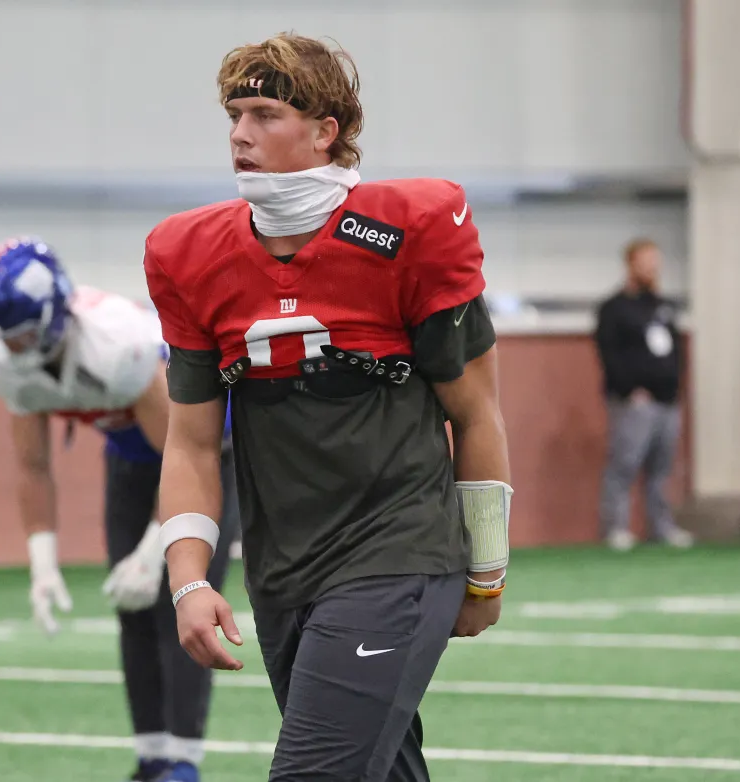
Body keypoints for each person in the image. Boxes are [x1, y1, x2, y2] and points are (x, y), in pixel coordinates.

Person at [142, 34, 512, 782]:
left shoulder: (409, 232)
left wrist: (487, 572)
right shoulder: (190, 254)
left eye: (265, 114)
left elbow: (475, 413)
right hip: (283, 570)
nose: (240, 134)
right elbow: (190, 444)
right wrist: (188, 580)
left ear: (325, 131)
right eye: (234, 115)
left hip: (397, 554)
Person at [0, 236, 239, 782]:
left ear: (51, 318)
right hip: (132, 456)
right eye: (4, 336)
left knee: (184, 605)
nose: (11, 348)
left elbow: (184, 456)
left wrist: (153, 552)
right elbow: (33, 467)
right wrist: (42, 564)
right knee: (131, 608)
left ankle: (183, 763)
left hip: (204, 453)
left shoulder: (117, 345)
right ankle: (152, 757)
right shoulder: (6, 362)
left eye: (21, 334)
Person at [595, 238, 693, 551]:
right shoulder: (614, 308)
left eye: (656, 261)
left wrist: (675, 388)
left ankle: (661, 527)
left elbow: (675, 350)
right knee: (624, 464)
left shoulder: (662, 306)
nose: (653, 267)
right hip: (634, 402)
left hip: (667, 401)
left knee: (661, 468)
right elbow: (609, 353)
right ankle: (616, 528)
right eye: (646, 261)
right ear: (631, 264)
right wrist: (630, 389)